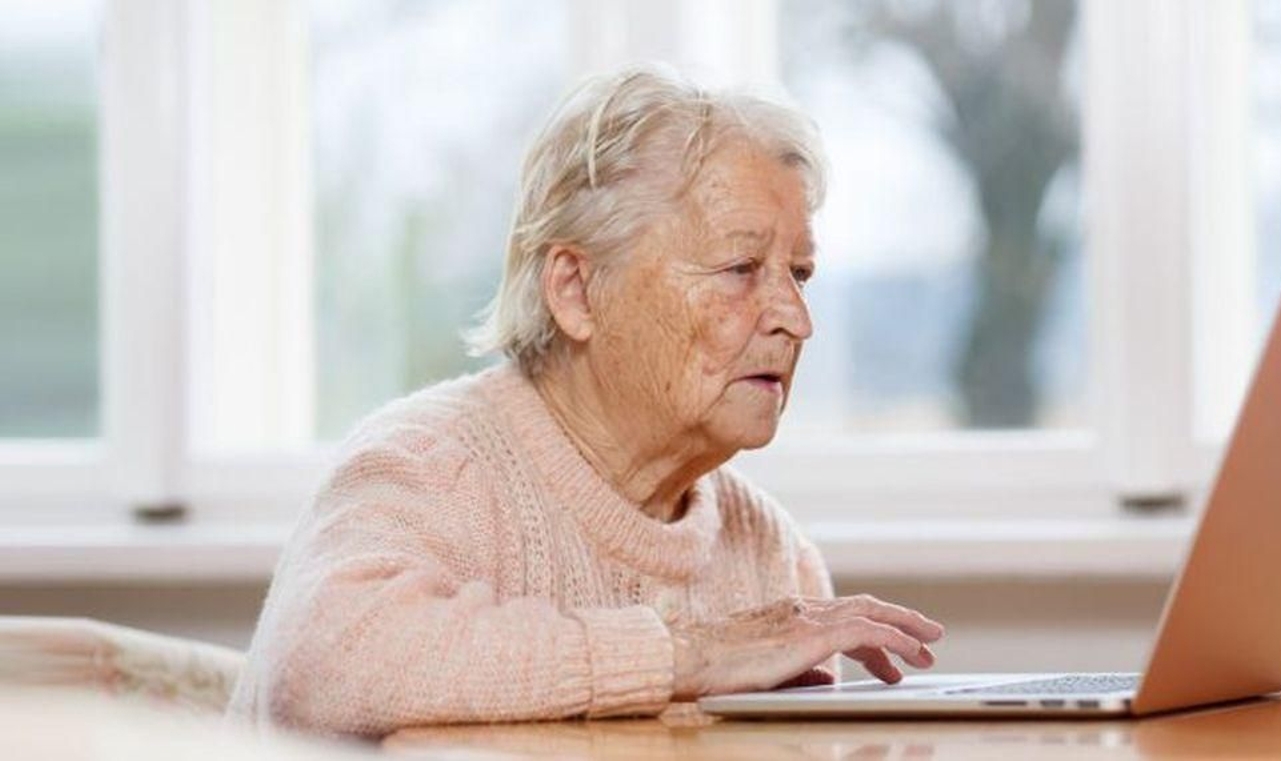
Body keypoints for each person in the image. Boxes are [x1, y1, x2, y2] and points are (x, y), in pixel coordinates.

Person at [227, 66, 945, 737]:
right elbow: (322, 660)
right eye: (739, 268)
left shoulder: (771, 553)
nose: (797, 317)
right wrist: (680, 656)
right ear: (574, 289)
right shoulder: (433, 466)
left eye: (799, 272)